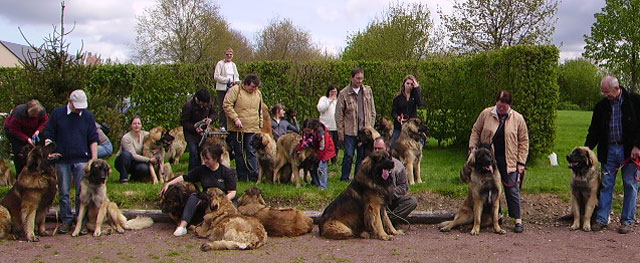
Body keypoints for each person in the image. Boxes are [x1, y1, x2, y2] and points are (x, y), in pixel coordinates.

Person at [586, 76, 640, 234]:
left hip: (630, 151)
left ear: (617, 89)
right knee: (606, 185)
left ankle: (627, 221)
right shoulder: (601, 106)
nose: (605, 95)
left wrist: (637, 145)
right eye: (603, 92)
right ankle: (602, 219)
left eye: (607, 92)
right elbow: (594, 130)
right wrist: (587, 149)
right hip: (609, 150)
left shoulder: (635, 101)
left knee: (630, 184)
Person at [469, 90, 529, 233]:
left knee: (511, 188)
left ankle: (518, 219)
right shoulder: (486, 113)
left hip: (509, 158)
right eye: (500, 104)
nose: (501, 107)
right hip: (488, 158)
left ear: (509, 105)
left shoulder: (518, 118)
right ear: (496, 102)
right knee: (490, 188)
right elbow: (476, 130)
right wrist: (472, 148)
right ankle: (497, 216)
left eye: (505, 105)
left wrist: (521, 163)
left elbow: (524, 141)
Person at [43, 89, 99, 234]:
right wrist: (49, 149)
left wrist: (93, 159)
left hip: (82, 159)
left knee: (82, 192)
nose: (79, 109)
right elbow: (49, 133)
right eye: (77, 106)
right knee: (64, 192)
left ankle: (81, 221)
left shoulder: (87, 116)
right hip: (63, 159)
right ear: (70, 102)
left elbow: (93, 138)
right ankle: (66, 220)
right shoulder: (57, 114)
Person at [160, 143, 237, 237]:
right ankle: (182, 226)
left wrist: (221, 200)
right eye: (204, 158)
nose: (205, 161)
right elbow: (184, 177)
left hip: (222, 201)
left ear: (216, 158)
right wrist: (169, 183)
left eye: (207, 159)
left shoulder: (227, 172)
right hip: (206, 198)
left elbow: (232, 192)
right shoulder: (202, 170)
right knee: (194, 197)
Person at [335, 68, 376, 181]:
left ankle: (358, 178)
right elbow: (339, 114)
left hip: (365, 130)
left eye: (361, 78)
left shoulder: (368, 90)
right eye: (357, 78)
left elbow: (372, 110)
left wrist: (370, 127)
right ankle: (344, 177)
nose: (360, 81)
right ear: (352, 78)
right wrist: (340, 131)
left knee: (362, 156)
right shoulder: (344, 93)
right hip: (350, 130)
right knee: (348, 155)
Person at [223, 74, 264, 182]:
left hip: (252, 127)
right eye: (252, 87)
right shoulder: (235, 90)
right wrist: (235, 119)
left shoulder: (258, 93)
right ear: (245, 84)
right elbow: (227, 105)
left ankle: (253, 177)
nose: (254, 89)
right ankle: (242, 177)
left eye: (256, 87)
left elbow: (260, 109)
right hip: (237, 129)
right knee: (239, 152)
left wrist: (260, 124)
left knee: (251, 152)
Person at [372, 137, 417, 225]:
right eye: (375, 148)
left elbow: (404, 186)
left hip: (391, 200)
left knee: (412, 201)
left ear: (387, 149)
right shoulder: (368, 164)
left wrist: (389, 193)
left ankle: (388, 220)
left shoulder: (398, 166)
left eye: (380, 148)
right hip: (373, 200)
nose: (377, 151)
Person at [3, 99, 48, 174]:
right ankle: (20, 175)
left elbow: (45, 121)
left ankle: (35, 173)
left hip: (32, 132)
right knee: (20, 153)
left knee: (36, 151)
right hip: (14, 132)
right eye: (33, 114)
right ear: (29, 111)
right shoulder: (18, 114)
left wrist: (38, 131)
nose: (35, 116)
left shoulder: (41, 111)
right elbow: (13, 130)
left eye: (37, 114)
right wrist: (26, 138)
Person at [181, 88, 216, 172]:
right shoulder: (188, 106)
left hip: (203, 133)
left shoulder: (209, 104)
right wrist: (194, 128)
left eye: (207, 103)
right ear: (198, 100)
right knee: (193, 153)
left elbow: (214, 113)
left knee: (204, 153)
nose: (205, 105)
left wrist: (210, 119)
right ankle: (192, 173)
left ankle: (203, 173)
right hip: (191, 134)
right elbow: (184, 122)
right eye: (204, 103)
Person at [114, 117, 154, 183]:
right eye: (134, 123)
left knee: (144, 168)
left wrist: (156, 149)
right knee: (126, 154)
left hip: (137, 162)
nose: (136, 125)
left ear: (141, 125)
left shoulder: (146, 135)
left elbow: (155, 139)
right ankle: (123, 178)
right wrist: (149, 160)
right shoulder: (126, 138)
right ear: (131, 125)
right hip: (123, 161)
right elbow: (133, 155)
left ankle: (134, 177)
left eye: (139, 123)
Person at [300, 119, 335, 190]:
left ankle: (323, 186)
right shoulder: (307, 134)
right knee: (311, 166)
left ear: (313, 129)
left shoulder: (321, 133)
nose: (307, 132)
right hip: (316, 150)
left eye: (309, 131)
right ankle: (316, 183)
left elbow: (323, 147)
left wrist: (320, 158)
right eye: (305, 131)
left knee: (321, 167)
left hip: (326, 150)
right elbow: (303, 143)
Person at [391, 75, 425, 147]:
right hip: (399, 127)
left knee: (415, 146)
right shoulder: (398, 98)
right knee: (393, 145)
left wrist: (417, 88)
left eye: (411, 84)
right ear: (404, 84)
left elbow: (420, 103)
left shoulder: (415, 96)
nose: (409, 86)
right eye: (407, 83)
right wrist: (397, 117)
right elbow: (393, 112)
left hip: (412, 128)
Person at [213, 48, 240, 131]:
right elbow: (216, 76)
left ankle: (230, 124)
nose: (229, 56)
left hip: (232, 88)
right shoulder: (220, 64)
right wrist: (227, 80)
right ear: (225, 55)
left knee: (232, 106)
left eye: (230, 55)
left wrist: (236, 82)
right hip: (222, 88)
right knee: (222, 106)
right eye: (227, 54)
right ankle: (222, 125)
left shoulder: (233, 65)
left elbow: (236, 75)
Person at [317, 85, 339, 165]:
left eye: (335, 92)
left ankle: (334, 161)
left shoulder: (338, 101)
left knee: (335, 145)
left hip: (336, 127)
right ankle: (325, 159)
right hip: (325, 127)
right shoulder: (324, 99)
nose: (333, 93)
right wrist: (329, 100)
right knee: (326, 145)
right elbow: (320, 108)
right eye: (332, 91)